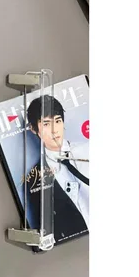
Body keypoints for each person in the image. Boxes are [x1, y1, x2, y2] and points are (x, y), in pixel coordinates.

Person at [24, 95, 89, 242]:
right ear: (33, 129)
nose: (55, 130)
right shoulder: (35, 177)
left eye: (58, 121)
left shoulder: (88, 150)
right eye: (46, 124)